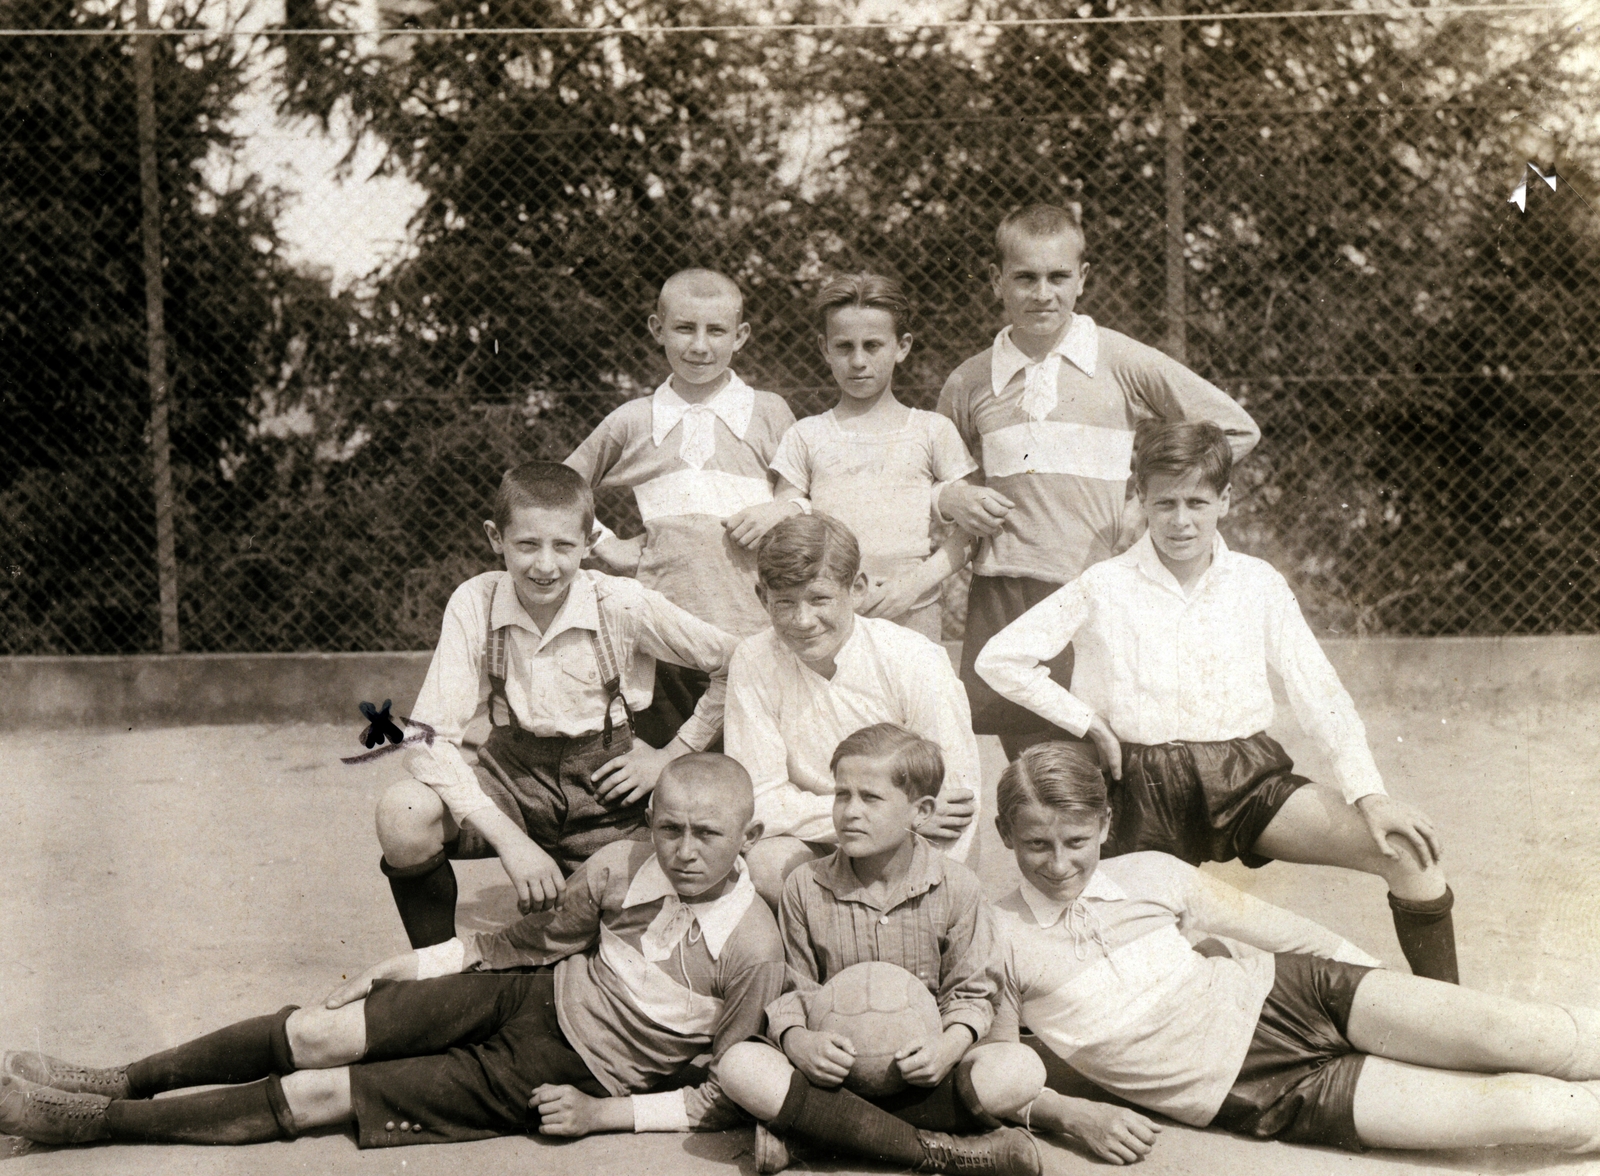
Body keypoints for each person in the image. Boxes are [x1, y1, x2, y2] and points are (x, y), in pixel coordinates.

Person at [0, 757, 787, 1150]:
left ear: (746, 838)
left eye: (707, 835)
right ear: (651, 819)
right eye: (669, 828)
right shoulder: (620, 865)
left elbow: (726, 1086)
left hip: (570, 1073)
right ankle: (118, 1075)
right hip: (526, 995)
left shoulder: (752, 947)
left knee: (321, 1094)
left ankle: (96, 1123)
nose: (682, 851)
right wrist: (411, 964)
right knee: (316, 1030)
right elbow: (521, 944)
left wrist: (603, 1114)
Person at [975, 420, 1459, 982]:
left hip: (1244, 778)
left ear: (1225, 500)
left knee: (1408, 852)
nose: (1181, 520)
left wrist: (1370, 795)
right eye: (1166, 503)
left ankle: (1448, 1006)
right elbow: (999, 659)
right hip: (1135, 786)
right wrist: (1088, 724)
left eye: (1198, 502)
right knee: (1119, 947)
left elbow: (1320, 693)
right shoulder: (1103, 584)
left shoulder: (1258, 583)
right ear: (1141, 500)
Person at [986, 742, 1600, 1159]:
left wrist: (1402, 996)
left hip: (1299, 992)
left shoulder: (1150, 871)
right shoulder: (994, 935)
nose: (1061, 864)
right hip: (1265, 1089)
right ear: (1005, 835)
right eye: (1037, 844)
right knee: (1542, 1113)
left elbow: (1287, 935)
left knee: (1530, 1036)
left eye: (1076, 840)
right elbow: (991, 1068)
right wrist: (1067, 1115)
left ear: (1104, 827)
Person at [936, 203, 1260, 760]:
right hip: (1008, 592)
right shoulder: (969, 380)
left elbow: (1235, 427)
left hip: (1102, 590)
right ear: (997, 282)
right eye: (1025, 278)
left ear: (1082, 279)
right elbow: (932, 473)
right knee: (1040, 771)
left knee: (1124, 759)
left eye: (1058, 277)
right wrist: (951, 497)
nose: (1043, 293)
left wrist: (1146, 503)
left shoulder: (1118, 359)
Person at [376, 461, 741, 949]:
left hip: (610, 793)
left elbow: (733, 662)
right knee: (402, 811)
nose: (544, 565)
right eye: (527, 544)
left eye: (564, 546)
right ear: (495, 538)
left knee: (621, 940)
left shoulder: (622, 602)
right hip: (512, 780)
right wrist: (511, 843)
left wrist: (669, 756)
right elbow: (426, 740)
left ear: (589, 543)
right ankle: (434, 969)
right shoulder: (475, 601)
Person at [717, 724, 1046, 1176]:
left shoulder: (957, 886)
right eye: (841, 795)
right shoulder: (804, 886)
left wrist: (948, 1047)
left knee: (1022, 1069)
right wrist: (800, 1042)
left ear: (921, 811)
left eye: (870, 798)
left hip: (926, 1079)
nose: (849, 812)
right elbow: (795, 988)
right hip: (833, 1081)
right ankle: (948, 1151)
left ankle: (819, 1141)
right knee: (739, 1065)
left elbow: (972, 993)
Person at [565, 268, 797, 747]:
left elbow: (810, 493)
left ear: (741, 336)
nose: (699, 345)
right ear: (657, 329)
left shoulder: (769, 411)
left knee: (753, 768)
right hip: (666, 634)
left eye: (716, 331)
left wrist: (781, 509)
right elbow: (556, 487)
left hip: (756, 628)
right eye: (684, 328)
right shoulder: (634, 419)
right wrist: (607, 544)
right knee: (671, 768)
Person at [724, 513, 981, 908]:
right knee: (766, 862)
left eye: (820, 599)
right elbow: (759, 799)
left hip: (909, 848)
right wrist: (876, 817)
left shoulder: (915, 658)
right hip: (823, 845)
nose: (802, 620)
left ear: (857, 588)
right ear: (763, 598)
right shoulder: (753, 659)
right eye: (784, 603)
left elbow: (955, 803)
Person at [724, 272, 977, 642]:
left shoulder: (931, 429)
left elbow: (969, 532)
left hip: (912, 609)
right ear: (825, 348)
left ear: (902, 346)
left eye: (872, 345)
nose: (858, 361)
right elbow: (789, 517)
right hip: (830, 616)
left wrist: (913, 585)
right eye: (844, 347)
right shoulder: (806, 434)